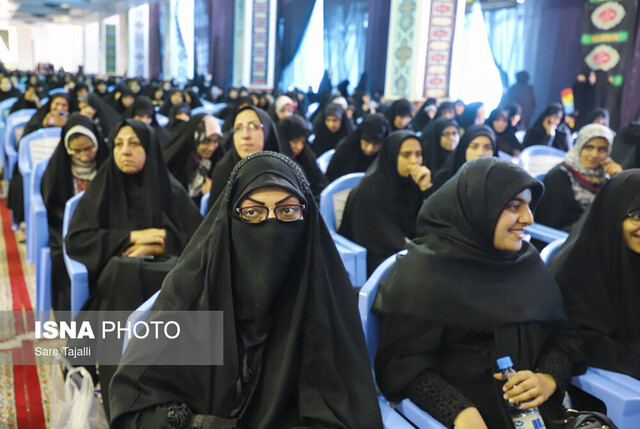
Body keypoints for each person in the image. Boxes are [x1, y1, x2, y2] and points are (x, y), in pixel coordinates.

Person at [109, 151, 383, 428]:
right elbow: (133, 402)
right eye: (253, 212)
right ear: (230, 219)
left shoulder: (324, 299)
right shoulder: (193, 295)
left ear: (306, 216)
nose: (271, 226)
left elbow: (349, 410)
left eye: (287, 211)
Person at [373, 157, 585, 428]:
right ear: (478, 207)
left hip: (538, 416)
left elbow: (564, 337)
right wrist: (459, 411)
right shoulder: (425, 272)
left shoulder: (526, 264)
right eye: (513, 206)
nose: (528, 219)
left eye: (529, 206)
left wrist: (548, 379)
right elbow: (404, 364)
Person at [64, 119, 202, 416]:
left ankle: (165, 393)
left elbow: (200, 241)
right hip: (117, 288)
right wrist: (132, 237)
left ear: (149, 149)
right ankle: (122, 398)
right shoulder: (104, 185)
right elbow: (77, 239)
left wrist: (161, 243)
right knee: (123, 272)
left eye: (134, 143)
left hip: (164, 287)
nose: (125, 151)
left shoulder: (170, 189)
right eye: (118, 144)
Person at [550, 170, 640, 380]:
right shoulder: (577, 270)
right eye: (637, 215)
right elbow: (583, 344)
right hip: (608, 390)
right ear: (613, 212)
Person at [41, 113, 109, 311]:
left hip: (103, 227)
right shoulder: (58, 168)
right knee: (62, 259)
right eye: (76, 151)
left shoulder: (107, 163)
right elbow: (53, 205)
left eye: (89, 148)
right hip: (67, 228)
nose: (84, 156)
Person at [339, 130, 432, 274]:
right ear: (392, 156)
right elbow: (381, 240)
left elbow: (425, 227)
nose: (414, 161)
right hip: (376, 260)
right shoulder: (371, 188)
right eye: (406, 155)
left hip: (405, 251)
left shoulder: (412, 184)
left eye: (418, 154)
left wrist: (426, 189)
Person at [535, 124, 622, 231]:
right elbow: (553, 224)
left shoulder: (605, 178)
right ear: (579, 147)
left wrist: (619, 179)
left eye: (602, 149)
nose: (595, 155)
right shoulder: (561, 175)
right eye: (589, 147)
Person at [207, 106, 282, 209]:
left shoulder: (284, 170)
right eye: (238, 128)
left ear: (267, 131)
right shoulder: (223, 170)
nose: (245, 135)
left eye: (253, 126)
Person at [162, 113, 223, 206]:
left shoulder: (217, 157)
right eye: (206, 141)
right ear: (194, 139)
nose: (212, 148)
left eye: (216, 141)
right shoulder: (176, 161)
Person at [430, 124, 496, 194]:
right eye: (474, 147)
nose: (481, 153)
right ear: (464, 149)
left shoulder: (499, 180)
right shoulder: (445, 179)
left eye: (488, 148)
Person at [325, 113, 391, 182]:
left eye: (376, 145)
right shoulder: (346, 147)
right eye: (366, 143)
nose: (370, 149)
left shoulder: (386, 154)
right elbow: (331, 179)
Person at [277, 114, 328, 201]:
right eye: (295, 141)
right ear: (284, 141)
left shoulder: (307, 155)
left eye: (303, 142)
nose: (300, 147)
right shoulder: (277, 161)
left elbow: (320, 183)